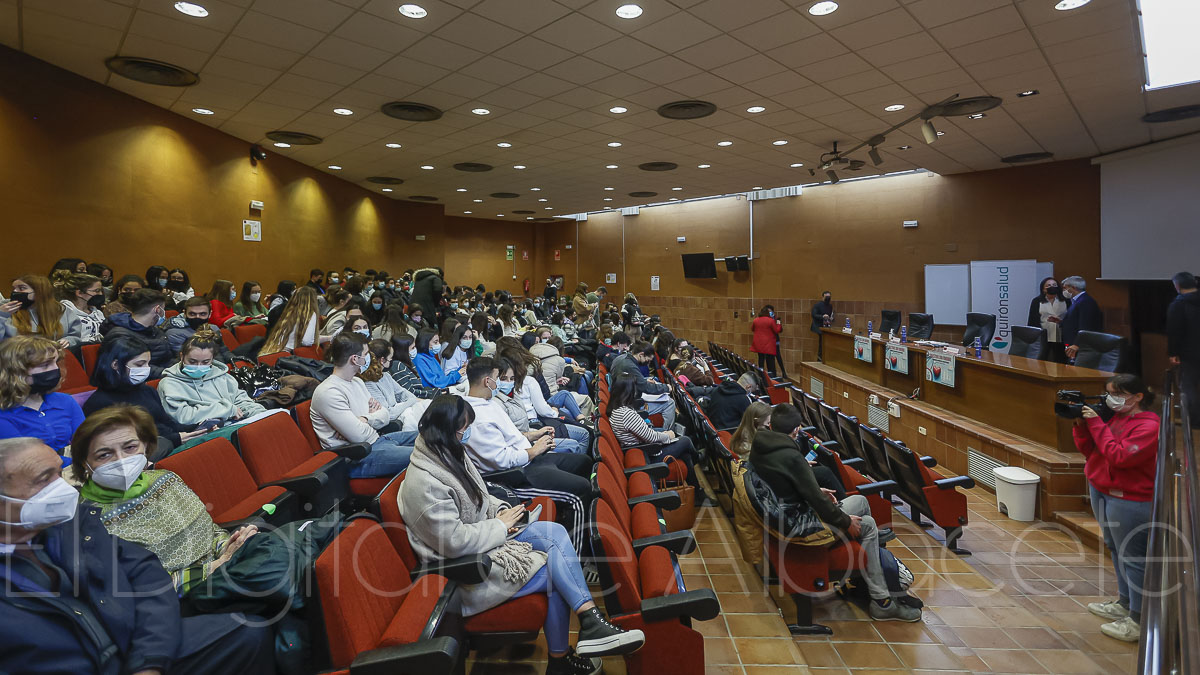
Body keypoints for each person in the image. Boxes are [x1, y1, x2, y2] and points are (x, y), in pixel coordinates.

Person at [397, 395, 644, 674]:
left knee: (553, 530)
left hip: (483, 545)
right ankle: (564, 657)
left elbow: (479, 495)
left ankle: (589, 621)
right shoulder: (424, 483)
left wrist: (504, 510)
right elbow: (453, 542)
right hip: (462, 573)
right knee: (555, 572)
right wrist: (500, 526)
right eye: (460, 429)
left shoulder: (447, 452)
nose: (464, 435)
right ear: (441, 430)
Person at [0, 437, 277, 675]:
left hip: (128, 642)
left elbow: (147, 577)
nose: (61, 488)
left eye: (58, 474)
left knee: (248, 631)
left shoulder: (73, 525)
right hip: (78, 663)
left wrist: (148, 660)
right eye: (43, 479)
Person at [749, 403, 920, 622]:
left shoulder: (760, 446)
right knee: (866, 524)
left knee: (860, 501)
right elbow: (821, 506)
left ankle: (864, 579)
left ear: (771, 426)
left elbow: (782, 486)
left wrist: (815, 492)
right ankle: (882, 602)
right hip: (802, 528)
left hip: (787, 517)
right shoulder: (790, 455)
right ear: (796, 430)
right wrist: (846, 521)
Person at [70, 405, 257, 591]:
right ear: (85, 464)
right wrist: (214, 568)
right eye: (104, 454)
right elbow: (139, 589)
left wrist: (230, 546)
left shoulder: (166, 478)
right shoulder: (86, 520)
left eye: (130, 447)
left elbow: (210, 531)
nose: (120, 460)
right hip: (183, 601)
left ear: (145, 446)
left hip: (226, 568)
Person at [460, 357, 595, 551]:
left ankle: (567, 517)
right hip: (516, 474)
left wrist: (533, 435)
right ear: (487, 381)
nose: (501, 383)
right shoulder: (476, 416)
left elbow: (509, 437)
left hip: (528, 458)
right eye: (498, 378)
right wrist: (534, 449)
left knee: (584, 462)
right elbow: (501, 460)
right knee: (581, 490)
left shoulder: (488, 403)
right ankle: (579, 556)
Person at [1073, 374, 1160, 642]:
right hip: (1101, 488)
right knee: (1114, 548)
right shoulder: (1117, 418)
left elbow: (1119, 456)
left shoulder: (1150, 426)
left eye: (1118, 394)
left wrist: (1097, 424)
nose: (1112, 399)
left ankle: (1138, 619)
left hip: (1130, 499)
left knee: (1133, 557)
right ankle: (1124, 603)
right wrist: (1081, 426)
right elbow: (1093, 452)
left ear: (1138, 397)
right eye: (1109, 392)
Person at [310, 332, 418, 477]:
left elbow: (385, 414)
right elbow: (359, 436)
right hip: (359, 456)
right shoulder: (328, 392)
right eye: (366, 353)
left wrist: (364, 420)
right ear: (355, 359)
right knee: (425, 455)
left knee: (435, 438)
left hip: (379, 439)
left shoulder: (357, 381)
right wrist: (372, 417)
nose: (370, 358)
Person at [83, 335, 203, 456]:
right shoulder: (99, 403)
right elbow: (127, 444)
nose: (147, 369)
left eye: (148, 363)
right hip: (150, 453)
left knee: (217, 435)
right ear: (115, 365)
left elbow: (167, 422)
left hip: (172, 443)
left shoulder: (147, 390)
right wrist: (175, 438)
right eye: (140, 365)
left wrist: (196, 428)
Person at [606, 373, 705, 499]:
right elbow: (652, 438)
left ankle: (698, 493)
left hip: (643, 449)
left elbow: (645, 433)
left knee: (685, 454)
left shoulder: (616, 408)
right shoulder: (626, 414)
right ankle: (698, 458)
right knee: (685, 441)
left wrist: (662, 434)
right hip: (648, 453)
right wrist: (668, 435)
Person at [0, 336, 84, 465]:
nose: (55, 369)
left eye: (56, 362)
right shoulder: (3, 415)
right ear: (16, 372)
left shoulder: (65, 401)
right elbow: (29, 460)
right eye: (45, 365)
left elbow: (87, 441)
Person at [158, 330, 266, 427]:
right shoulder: (169, 384)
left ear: (212, 359)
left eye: (205, 362)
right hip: (204, 432)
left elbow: (240, 400)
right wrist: (227, 410)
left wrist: (261, 414)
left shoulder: (222, 376)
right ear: (182, 357)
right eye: (192, 361)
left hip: (236, 423)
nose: (199, 366)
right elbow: (184, 416)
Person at [494, 356, 587, 451]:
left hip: (531, 432)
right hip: (528, 440)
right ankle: (582, 419)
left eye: (512, 378)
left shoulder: (514, 394)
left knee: (565, 397)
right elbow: (541, 410)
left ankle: (582, 419)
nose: (509, 382)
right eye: (503, 379)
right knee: (580, 437)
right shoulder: (500, 400)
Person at [609, 341, 675, 429]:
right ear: (641, 354)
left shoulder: (621, 358)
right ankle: (668, 433)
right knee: (670, 403)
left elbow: (631, 379)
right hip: (630, 404)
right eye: (648, 360)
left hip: (622, 398)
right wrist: (666, 388)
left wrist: (644, 380)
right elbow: (645, 387)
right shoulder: (629, 365)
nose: (647, 363)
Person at [1, 275, 75, 347]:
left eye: (21, 288)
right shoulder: (4, 308)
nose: (15, 291)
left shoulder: (60, 309)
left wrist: (69, 340)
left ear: (39, 291)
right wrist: (2, 315)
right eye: (14, 288)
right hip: (16, 357)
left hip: (53, 355)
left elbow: (74, 335)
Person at [361, 339, 422, 424]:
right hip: (393, 422)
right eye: (390, 358)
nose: (392, 361)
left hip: (400, 412)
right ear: (382, 360)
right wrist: (411, 402)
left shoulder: (386, 375)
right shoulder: (369, 383)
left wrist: (411, 401)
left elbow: (403, 393)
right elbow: (388, 414)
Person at [1167, 271, 1200, 424]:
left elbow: (1175, 330)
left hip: (1189, 353)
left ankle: (1193, 420)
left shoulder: (1179, 304)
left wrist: (1173, 352)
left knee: (1188, 386)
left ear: (1177, 286)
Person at [166, 296, 235, 362]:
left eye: (202, 314)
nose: (197, 317)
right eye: (192, 314)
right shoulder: (174, 333)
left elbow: (224, 350)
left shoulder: (213, 328)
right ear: (184, 314)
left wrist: (235, 360)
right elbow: (190, 359)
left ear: (210, 314)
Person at [262, 286, 326, 354]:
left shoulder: (288, 310)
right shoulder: (310, 314)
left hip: (272, 350)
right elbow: (307, 341)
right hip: (287, 355)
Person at [1026, 277, 1069, 362]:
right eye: (1048, 285)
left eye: (1054, 285)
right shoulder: (1037, 301)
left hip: (1061, 335)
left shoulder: (1066, 300)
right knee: (1043, 361)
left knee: (1060, 360)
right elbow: (1032, 320)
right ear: (1043, 289)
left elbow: (1070, 318)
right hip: (1044, 336)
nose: (1052, 287)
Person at [1060, 276, 1102, 361]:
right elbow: (1075, 320)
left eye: (1065, 288)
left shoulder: (1085, 302)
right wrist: (1061, 321)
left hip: (1080, 347)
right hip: (1072, 344)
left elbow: (1086, 325)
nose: (1063, 291)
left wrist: (1077, 344)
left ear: (1073, 287)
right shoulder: (1077, 301)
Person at [57, 272, 107, 344]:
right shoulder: (63, 312)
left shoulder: (98, 313)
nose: (101, 294)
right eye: (97, 291)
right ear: (79, 293)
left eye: (101, 291)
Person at [387, 334, 439, 399]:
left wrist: (434, 391)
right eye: (413, 348)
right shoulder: (397, 366)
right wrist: (431, 393)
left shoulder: (409, 362)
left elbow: (420, 387)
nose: (415, 350)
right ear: (403, 351)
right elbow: (410, 392)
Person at [752, 304, 785, 377]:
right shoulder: (771, 320)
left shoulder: (756, 320)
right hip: (769, 344)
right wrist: (778, 322)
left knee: (761, 360)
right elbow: (777, 330)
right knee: (771, 361)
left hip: (758, 344)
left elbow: (752, 329)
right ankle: (772, 377)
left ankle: (761, 376)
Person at [810, 291, 833, 361]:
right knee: (822, 342)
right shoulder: (817, 305)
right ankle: (820, 358)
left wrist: (831, 318)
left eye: (829, 297)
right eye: (826, 297)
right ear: (822, 297)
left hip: (826, 326)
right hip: (818, 326)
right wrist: (822, 316)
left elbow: (830, 314)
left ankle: (823, 357)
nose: (828, 298)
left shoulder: (830, 306)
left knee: (824, 342)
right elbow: (814, 315)